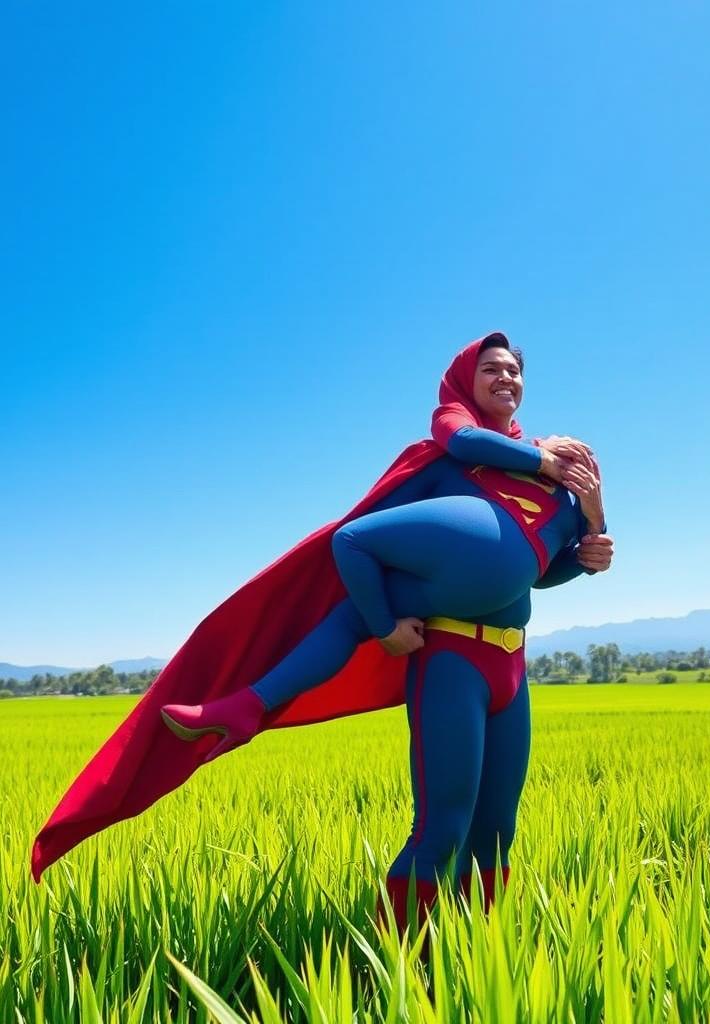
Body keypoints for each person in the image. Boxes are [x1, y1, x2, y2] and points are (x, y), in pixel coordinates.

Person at [31, 334, 613, 937]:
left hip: (511, 668)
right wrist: (389, 626)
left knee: (496, 833)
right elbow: (393, 512)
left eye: (514, 371)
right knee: (443, 827)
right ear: (468, 380)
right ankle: (398, 964)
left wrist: (591, 529)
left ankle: (479, 952)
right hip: (452, 660)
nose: (506, 378)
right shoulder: (456, 457)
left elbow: (536, 572)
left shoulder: (556, 484)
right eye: (492, 369)